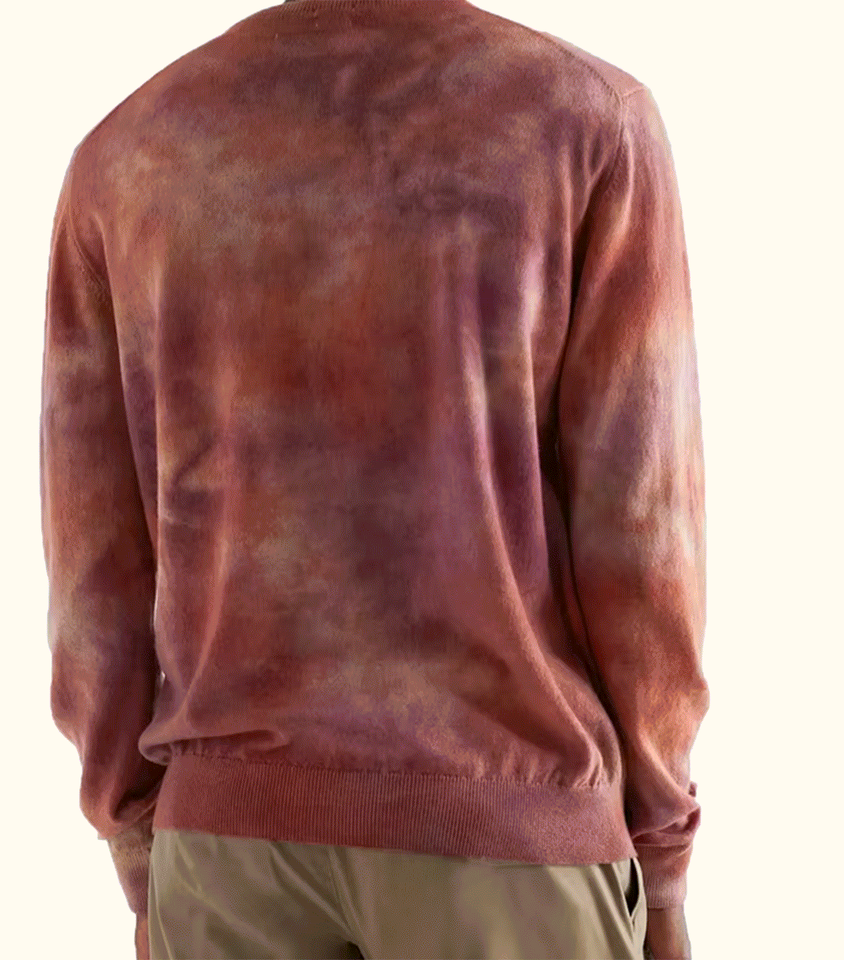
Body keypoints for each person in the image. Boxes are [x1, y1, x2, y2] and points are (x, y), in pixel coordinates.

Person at [39, 1, 709, 957]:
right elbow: (641, 535)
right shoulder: (590, 123)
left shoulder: (130, 153)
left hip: (227, 848)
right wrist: (663, 863)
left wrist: (141, 840)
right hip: (510, 843)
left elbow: (91, 563)